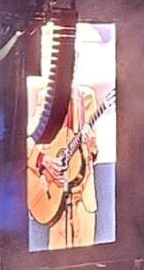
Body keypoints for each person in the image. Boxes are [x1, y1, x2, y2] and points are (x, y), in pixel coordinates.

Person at [32, 85, 107, 249]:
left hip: (83, 191)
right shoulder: (45, 97)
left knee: (86, 254)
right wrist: (43, 164)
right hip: (56, 191)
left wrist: (92, 145)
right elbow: (32, 142)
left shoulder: (87, 97)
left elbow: (92, 151)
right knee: (57, 253)